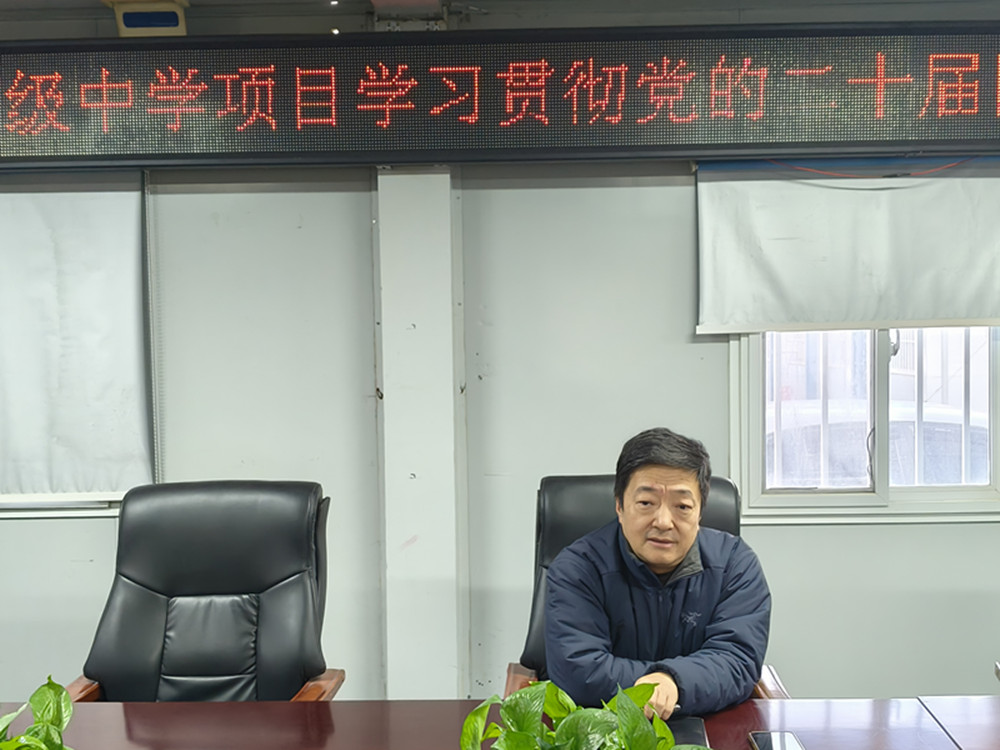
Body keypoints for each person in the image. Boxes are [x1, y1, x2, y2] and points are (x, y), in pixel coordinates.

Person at [544, 427, 771, 718]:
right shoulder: (578, 568)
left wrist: (673, 681)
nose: (663, 521)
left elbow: (737, 660)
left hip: (707, 723)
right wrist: (661, 684)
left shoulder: (734, 565)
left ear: (700, 512)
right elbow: (577, 670)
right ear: (619, 506)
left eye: (682, 506)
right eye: (646, 503)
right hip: (600, 724)